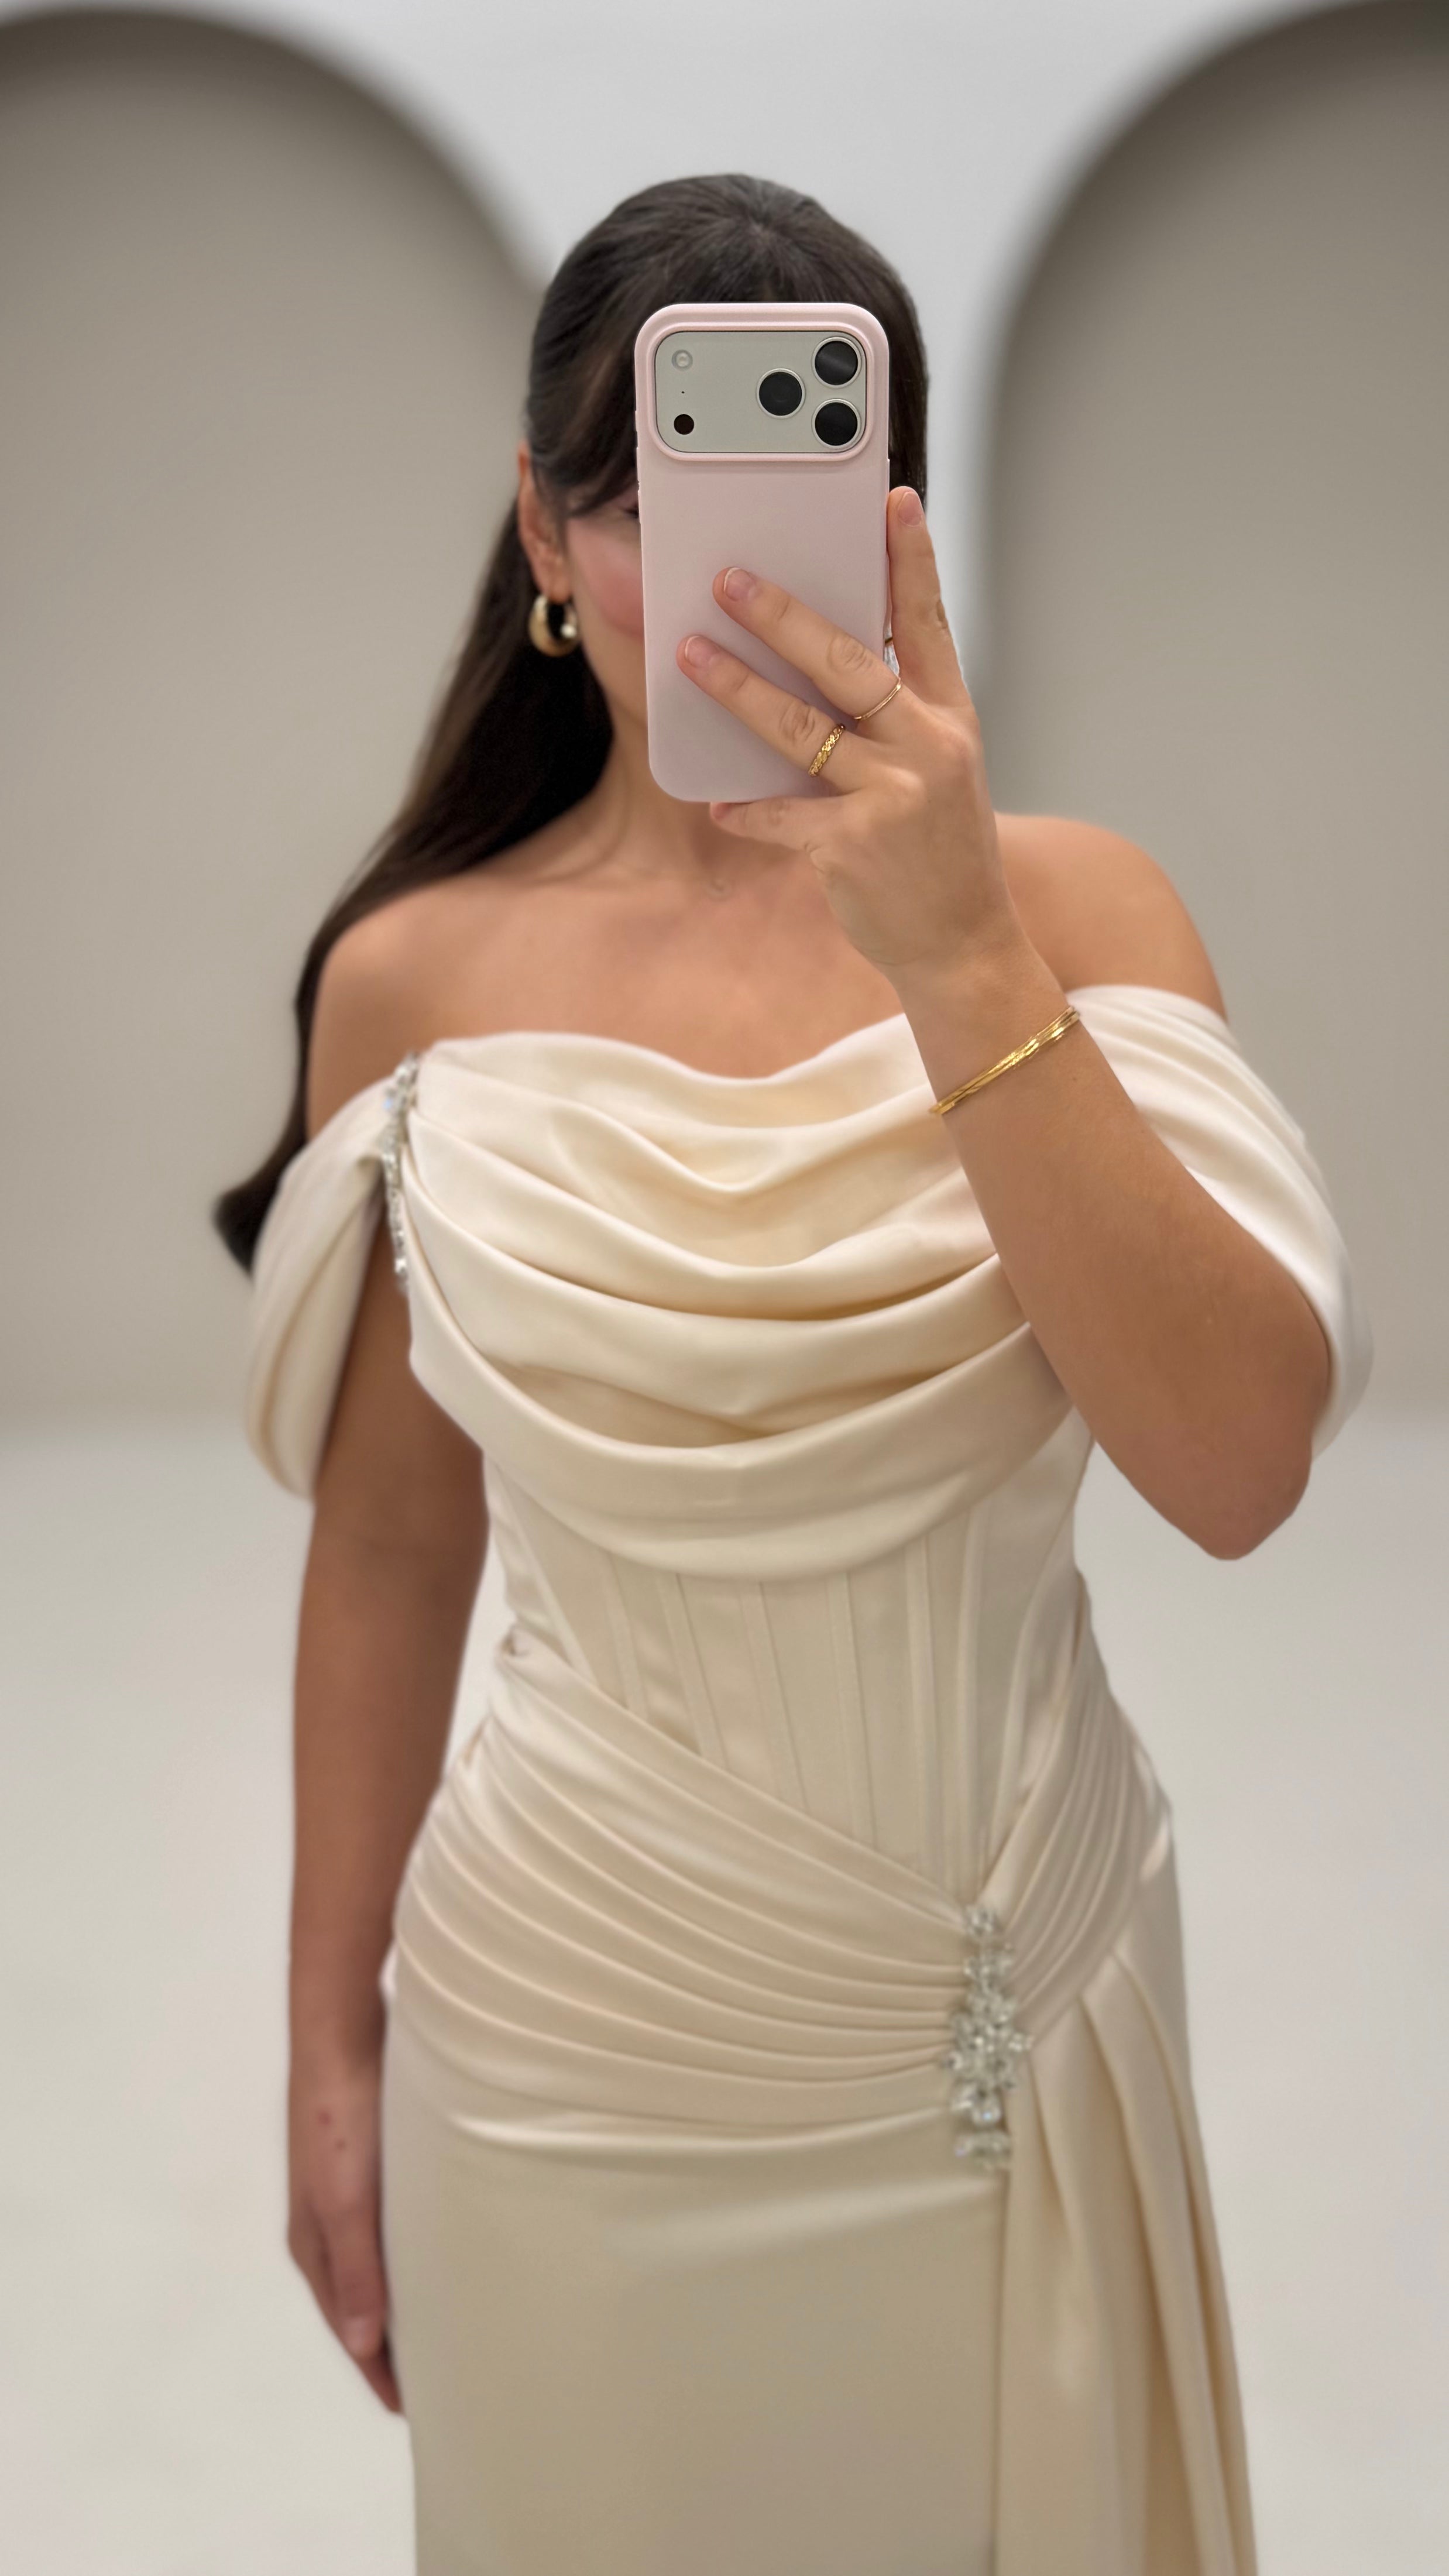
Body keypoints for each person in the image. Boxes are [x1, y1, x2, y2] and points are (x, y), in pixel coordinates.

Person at [215, 173, 1372, 2576]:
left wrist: (956, 955)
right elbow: (395, 1540)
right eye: (650, 504)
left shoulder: (1075, 913)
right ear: (543, 530)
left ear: (895, 526)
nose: (723, 583)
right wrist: (328, 2043)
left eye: (793, 497)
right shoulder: (411, 978)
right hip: (569, 2041)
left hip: (1006, 2010)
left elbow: (1236, 1460)